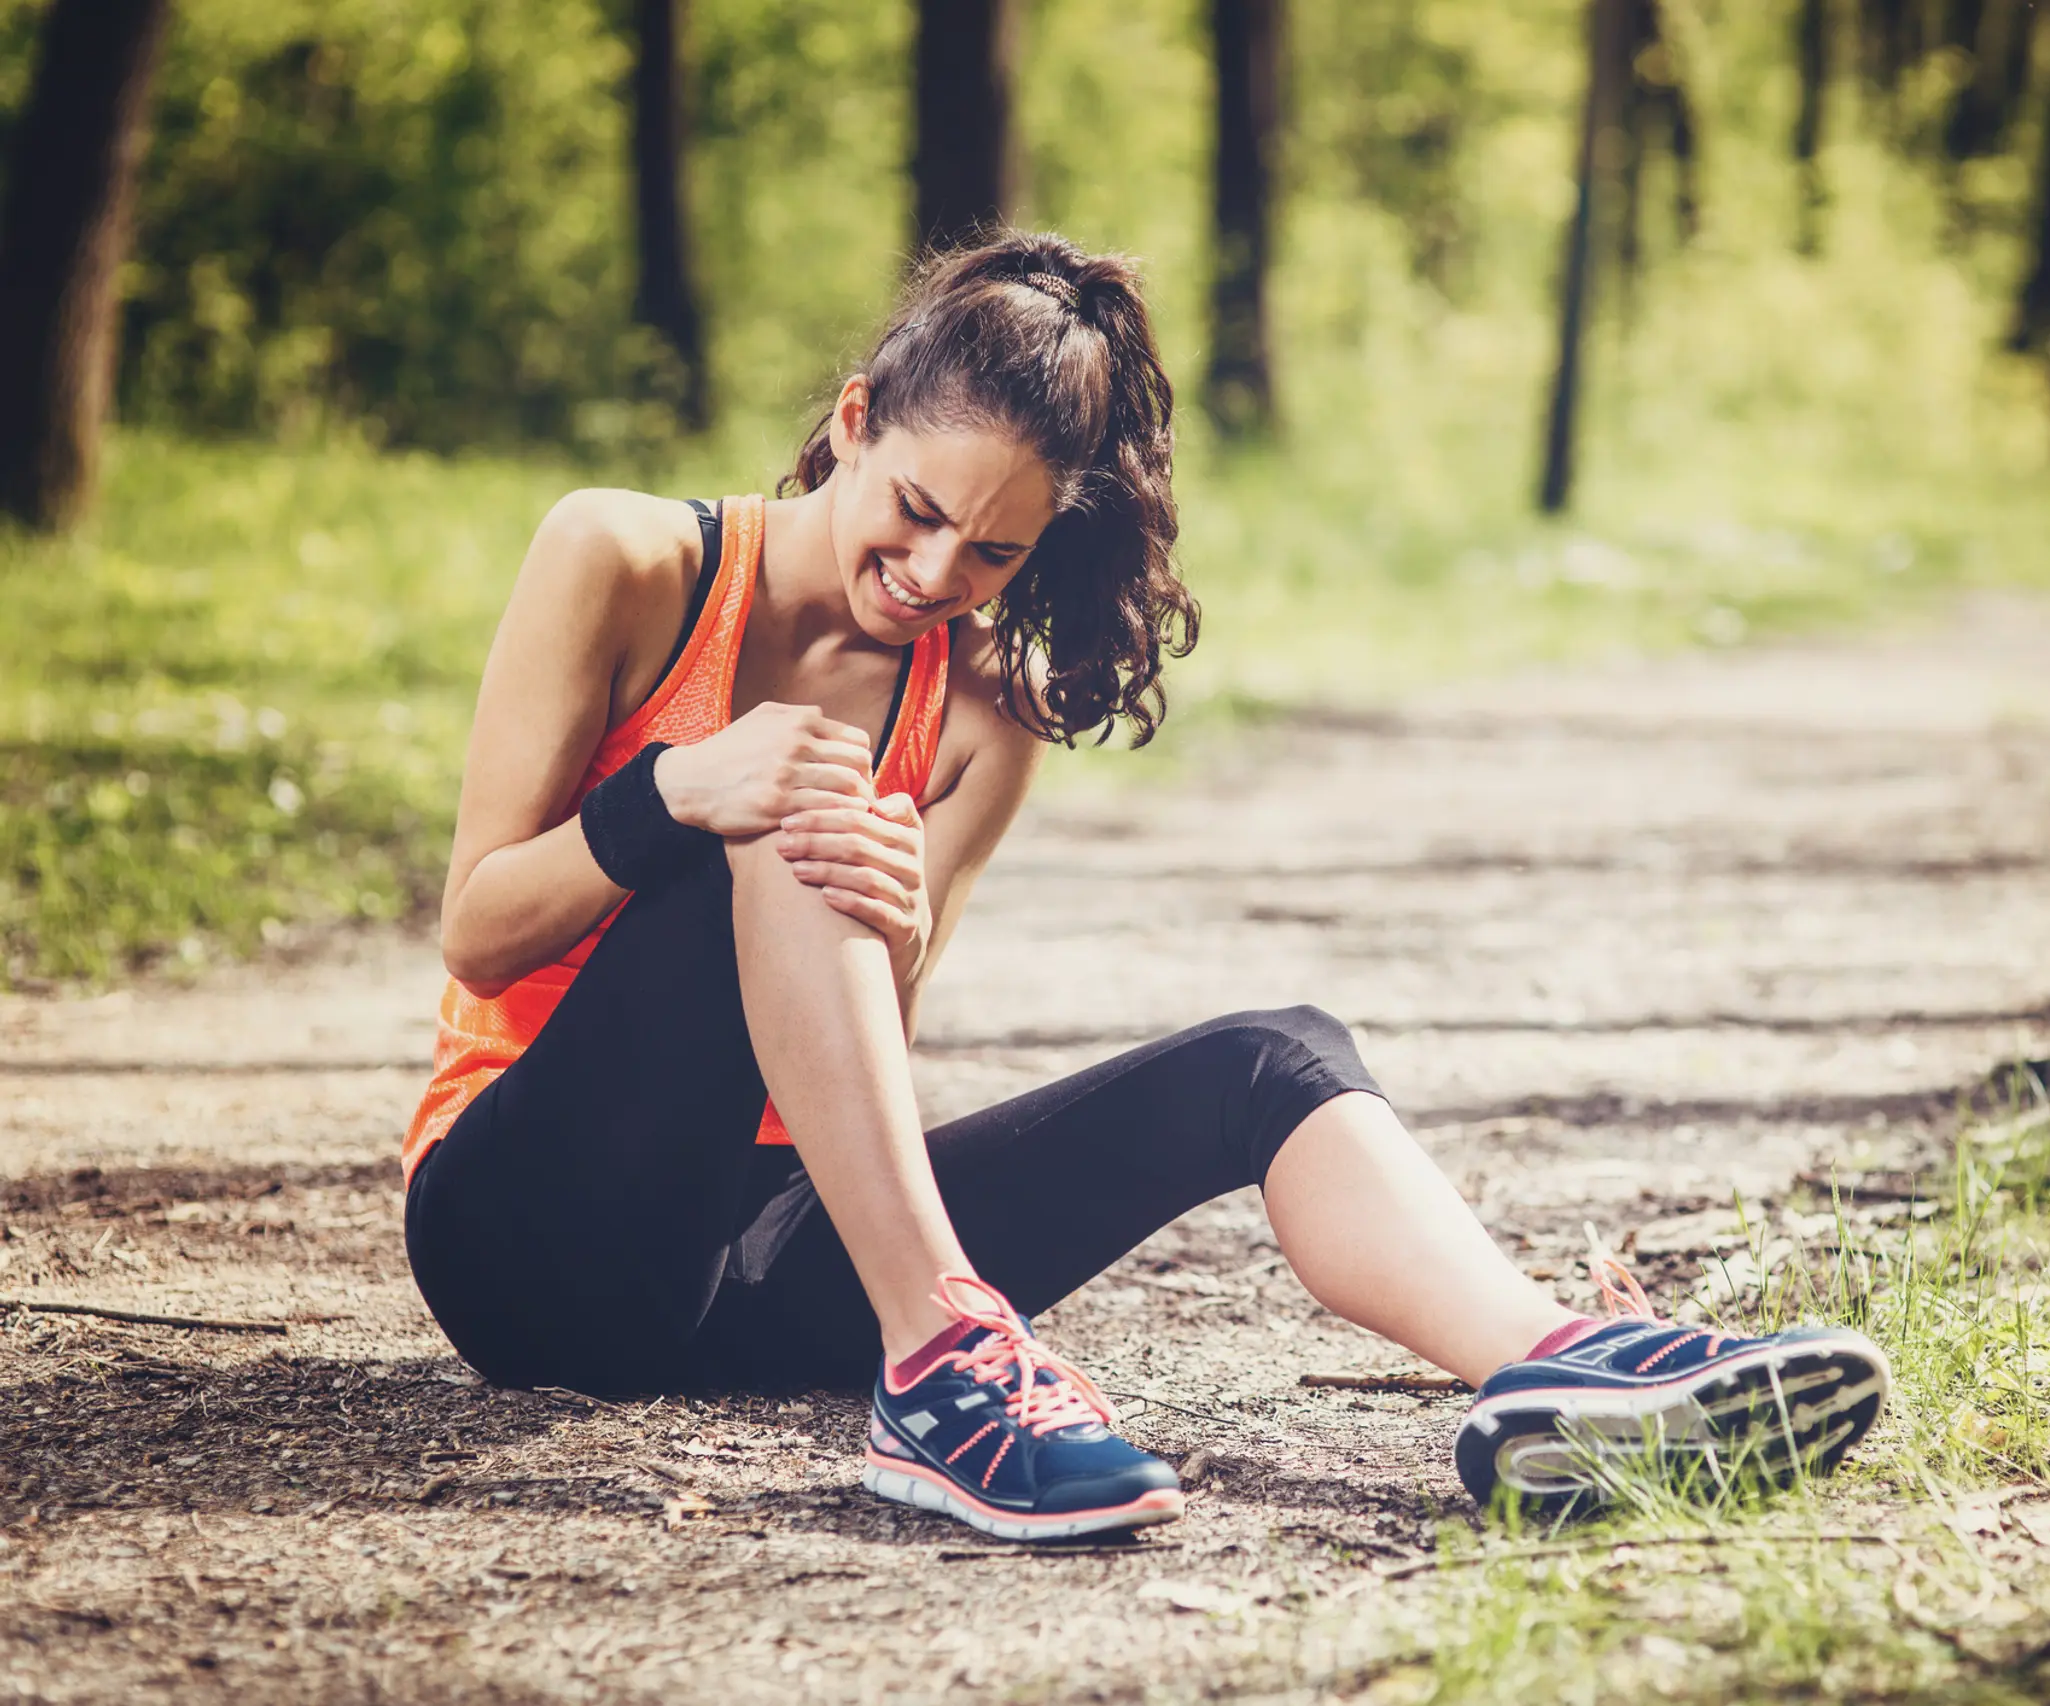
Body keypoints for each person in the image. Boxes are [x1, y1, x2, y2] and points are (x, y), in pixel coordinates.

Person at [400, 231, 1890, 1543]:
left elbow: (843, 1058)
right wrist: (671, 793)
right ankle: (944, 1366)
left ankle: (1556, 1362)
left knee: (1272, 1058)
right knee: (794, 805)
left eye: (993, 551)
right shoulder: (629, 558)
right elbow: (474, 926)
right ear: (853, 422)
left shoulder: (984, 711)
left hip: (746, 1261)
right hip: (522, 1228)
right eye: (914, 509)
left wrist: (900, 924)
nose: (933, 572)